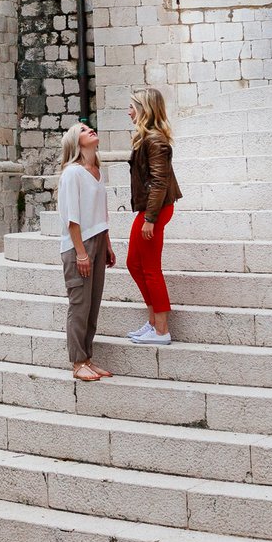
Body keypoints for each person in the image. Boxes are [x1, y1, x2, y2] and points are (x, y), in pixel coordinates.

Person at [55, 122, 116, 381]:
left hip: (98, 241)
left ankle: (88, 358)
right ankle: (78, 361)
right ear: (75, 141)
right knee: (79, 304)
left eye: (89, 127)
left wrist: (108, 244)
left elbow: (100, 213)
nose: (89, 129)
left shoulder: (97, 172)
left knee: (93, 304)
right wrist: (81, 253)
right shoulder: (72, 173)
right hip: (78, 244)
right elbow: (72, 218)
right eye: (82, 129)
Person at [126, 86, 181, 346]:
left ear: (144, 109)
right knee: (134, 264)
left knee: (150, 269)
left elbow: (159, 182)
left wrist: (150, 218)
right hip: (149, 208)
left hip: (154, 209)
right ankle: (152, 323)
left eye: (132, 107)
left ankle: (161, 330)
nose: (129, 112)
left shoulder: (155, 140)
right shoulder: (146, 137)